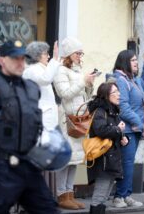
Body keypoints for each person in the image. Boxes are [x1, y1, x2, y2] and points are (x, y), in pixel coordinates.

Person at [0, 40, 59, 213]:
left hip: (29, 164)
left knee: (48, 209)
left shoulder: (31, 88)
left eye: (23, 58)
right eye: (15, 58)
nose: (20, 63)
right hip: (2, 167)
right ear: (1, 60)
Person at [53, 37, 96, 210]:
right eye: (77, 53)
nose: (80, 56)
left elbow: (83, 94)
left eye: (81, 53)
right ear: (69, 54)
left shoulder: (77, 70)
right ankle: (61, 195)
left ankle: (70, 193)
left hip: (79, 119)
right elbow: (65, 93)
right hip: (68, 120)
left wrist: (89, 84)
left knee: (75, 159)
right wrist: (82, 81)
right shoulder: (60, 70)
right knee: (66, 160)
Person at [112, 50, 144, 208]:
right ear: (125, 61)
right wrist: (139, 121)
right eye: (133, 60)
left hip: (134, 128)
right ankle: (119, 197)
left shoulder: (132, 79)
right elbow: (123, 107)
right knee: (127, 163)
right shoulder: (121, 80)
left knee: (129, 162)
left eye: (137, 60)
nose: (136, 62)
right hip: (127, 129)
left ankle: (126, 195)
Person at [86, 82, 128, 214]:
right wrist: (118, 129)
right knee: (99, 196)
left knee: (104, 196)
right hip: (103, 159)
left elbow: (114, 132)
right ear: (106, 95)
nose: (118, 94)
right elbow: (100, 130)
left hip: (111, 158)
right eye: (115, 92)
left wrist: (124, 138)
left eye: (118, 91)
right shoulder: (100, 111)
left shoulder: (113, 111)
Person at [23, 41, 60, 132]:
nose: (48, 56)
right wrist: (54, 59)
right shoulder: (32, 69)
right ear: (36, 55)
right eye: (46, 53)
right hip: (41, 117)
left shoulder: (39, 68)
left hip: (45, 116)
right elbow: (45, 79)